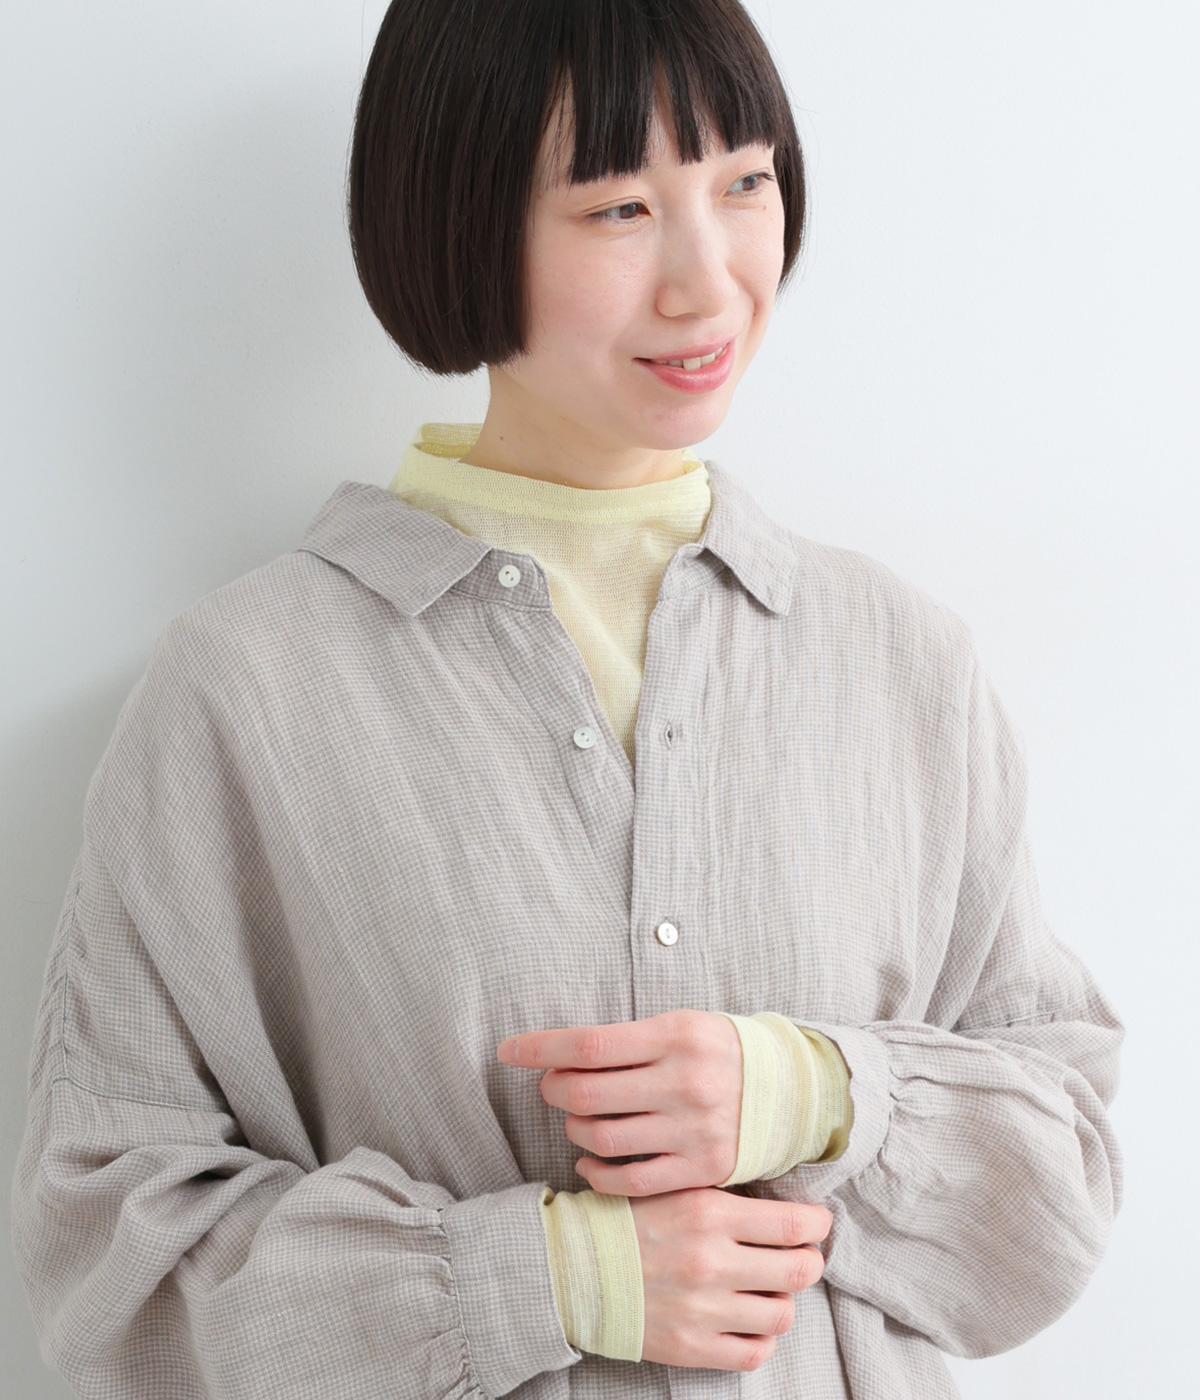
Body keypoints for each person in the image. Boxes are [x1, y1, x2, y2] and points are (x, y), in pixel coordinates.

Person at [9, 2, 1124, 1397]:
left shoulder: (903, 665)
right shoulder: (246, 690)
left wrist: (819, 1095)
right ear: (460, 220)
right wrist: (535, 1282)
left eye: (745, 183)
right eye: (618, 209)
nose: (709, 284)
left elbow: (1062, 1192)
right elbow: (105, 1259)